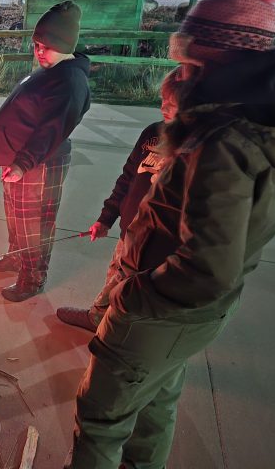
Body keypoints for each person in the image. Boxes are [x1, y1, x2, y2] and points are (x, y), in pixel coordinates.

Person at [66, 0, 275, 468]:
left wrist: (133, 298)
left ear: (214, 59)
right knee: (153, 408)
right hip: (184, 320)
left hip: (160, 314)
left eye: (187, 62)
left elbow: (208, 269)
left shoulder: (222, 140)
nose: (177, 74)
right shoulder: (260, 122)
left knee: (101, 422)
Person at [56, 75, 182, 332]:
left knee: (132, 290)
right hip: (130, 230)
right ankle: (99, 317)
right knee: (115, 275)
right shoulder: (153, 133)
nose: (163, 107)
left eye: (172, 103)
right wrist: (106, 218)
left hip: (158, 242)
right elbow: (127, 178)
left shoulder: (196, 150)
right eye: (162, 100)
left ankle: (119, 329)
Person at [0, 1, 91, 302]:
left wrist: (22, 163)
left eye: (47, 47)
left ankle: (32, 277)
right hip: (20, 161)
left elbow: (50, 130)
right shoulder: (53, 70)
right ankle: (16, 257)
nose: (39, 52)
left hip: (38, 165)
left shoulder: (70, 81)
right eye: (36, 46)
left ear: (65, 45)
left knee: (33, 223)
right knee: (17, 217)